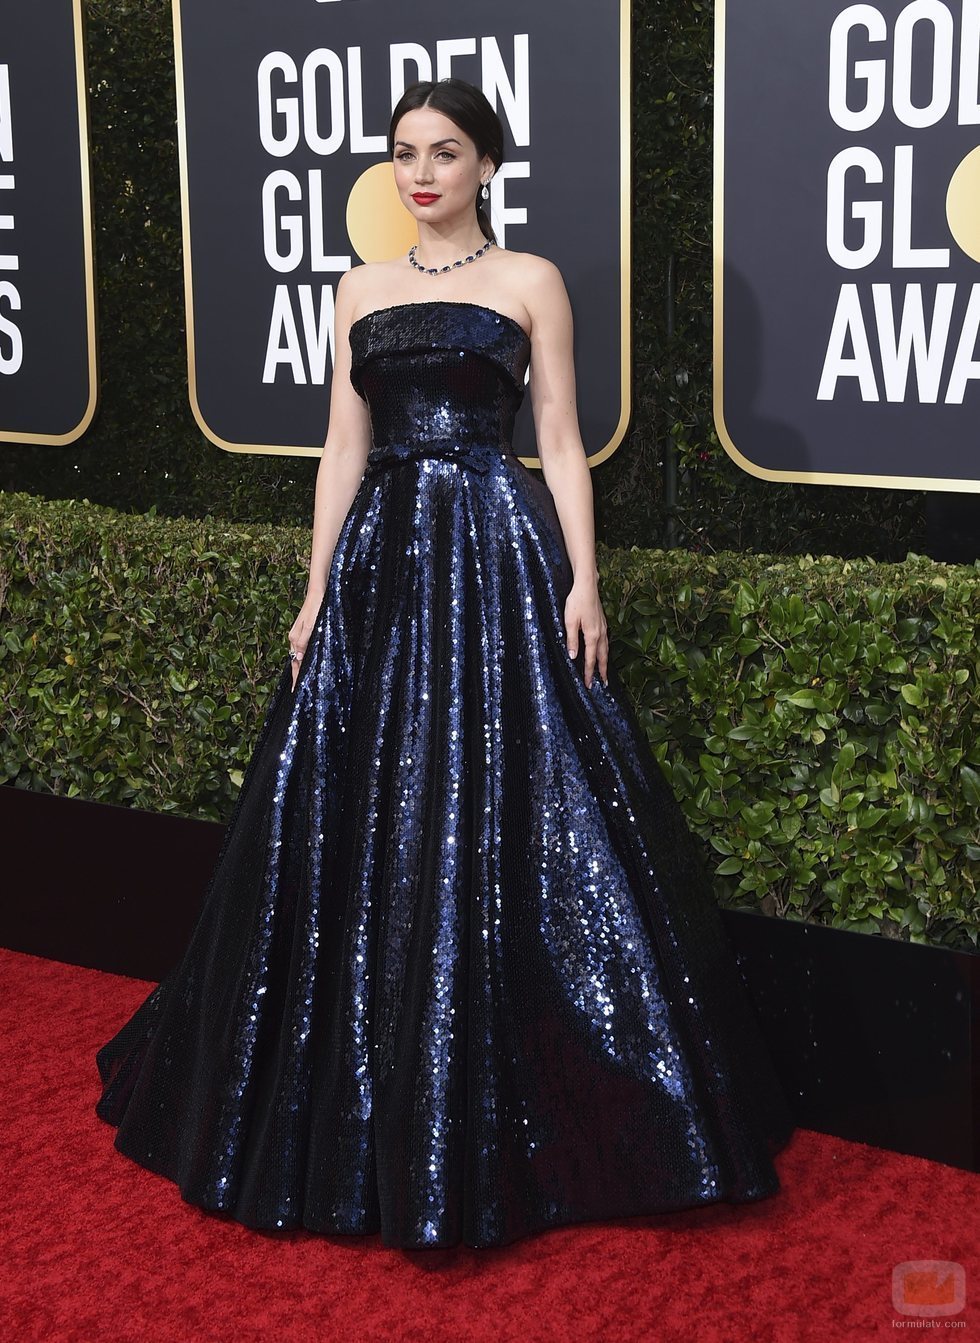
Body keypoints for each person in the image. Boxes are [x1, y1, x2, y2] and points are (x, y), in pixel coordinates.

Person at [95, 77, 794, 1251]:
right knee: (359, 807)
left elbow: (558, 438)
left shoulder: (529, 281)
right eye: (406, 152)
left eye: (446, 151)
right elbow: (341, 446)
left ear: (485, 164)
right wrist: (315, 587)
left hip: (493, 549)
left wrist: (583, 579)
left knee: (511, 795)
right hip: (380, 560)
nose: (422, 173)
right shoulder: (358, 287)